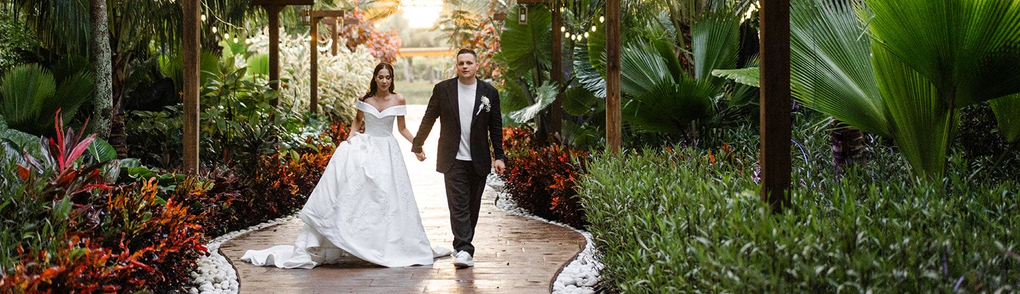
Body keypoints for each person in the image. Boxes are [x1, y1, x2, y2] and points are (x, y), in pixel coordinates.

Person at [241, 63, 451, 268]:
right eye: (381, 77)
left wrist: (417, 146)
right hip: (366, 147)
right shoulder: (365, 99)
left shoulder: (398, 99)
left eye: (388, 77)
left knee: (388, 196)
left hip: (388, 150)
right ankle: (354, 239)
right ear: (375, 78)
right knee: (362, 194)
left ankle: (386, 243)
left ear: (392, 79)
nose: (384, 81)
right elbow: (357, 122)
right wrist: (350, 139)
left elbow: (402, 128)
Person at [412, 48, 506, 269]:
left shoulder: (489, 93)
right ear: (456, 66)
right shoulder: (443, 90)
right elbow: (429, 117)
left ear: (476, 65)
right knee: (459, 205)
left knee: (473, 206)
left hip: (479, 158)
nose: (465, 66)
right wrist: (418, 143)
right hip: (452, 158)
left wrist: (499, 156)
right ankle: (464, 249)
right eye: (461, 63)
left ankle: (462, 244)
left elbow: (496, 126)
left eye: (469, 63)